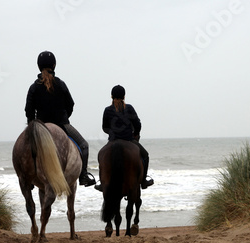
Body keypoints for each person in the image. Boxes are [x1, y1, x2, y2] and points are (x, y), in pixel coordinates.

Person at [25, 51, 96, 187]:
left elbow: (28, 111)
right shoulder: (61, 84)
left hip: (41, 126)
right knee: (84, 146)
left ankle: (29, 178)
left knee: (29, 149)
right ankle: (83, 176)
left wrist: (33, 126)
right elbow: (71, 105)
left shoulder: (33, 87)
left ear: (39, 66)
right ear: (54, 65)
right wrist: (63, 119)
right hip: (62, 124)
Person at [96, 85, 154, 191]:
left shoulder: (107, 110)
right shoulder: (129, 108)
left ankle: (102, 183)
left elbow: (105, 128)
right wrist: (135, 134)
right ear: (124, 96)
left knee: (100, 155)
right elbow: (137, 124)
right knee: (145, 155)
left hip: (113, 141)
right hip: (129, 139)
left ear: (111, 96)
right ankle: (143, 181)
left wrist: (113, 133)